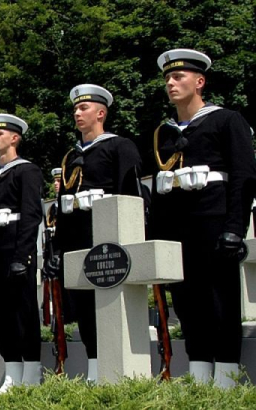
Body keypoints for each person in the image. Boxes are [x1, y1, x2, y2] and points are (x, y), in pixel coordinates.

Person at [147, 49, 256, 387]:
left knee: (220, 302)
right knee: (188, 304)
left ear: (199, 81)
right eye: (167, 77)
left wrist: (235, 229)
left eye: (178, 77)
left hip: (215, 223)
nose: (170, 82)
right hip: (179, 231)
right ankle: (198, 377)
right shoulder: (163, 134)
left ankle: (225, 380)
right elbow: (161, 191)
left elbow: (243, 177)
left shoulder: (226, 120)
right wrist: (158, 239)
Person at [47, 85, 143, 382]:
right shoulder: (70, 157)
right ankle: (93, 369)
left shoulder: (119, 146)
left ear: (101, 113)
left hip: (109, 240)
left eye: (84, 108)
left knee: (111, 309)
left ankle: (119, 373)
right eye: (75, 109)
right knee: (85, 311)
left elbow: (133, 195)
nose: (77, 113)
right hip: (77, 242)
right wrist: (57, 249)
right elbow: (65, 207)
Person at [0, 114, 43, 387]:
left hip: (16, 250)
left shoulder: (26, 171)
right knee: (2, 316)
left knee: (23, 313)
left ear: (15, 138)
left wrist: (23, 256)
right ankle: (13, 374)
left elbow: (31, 215)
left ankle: (32, 373)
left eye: (0, 134)